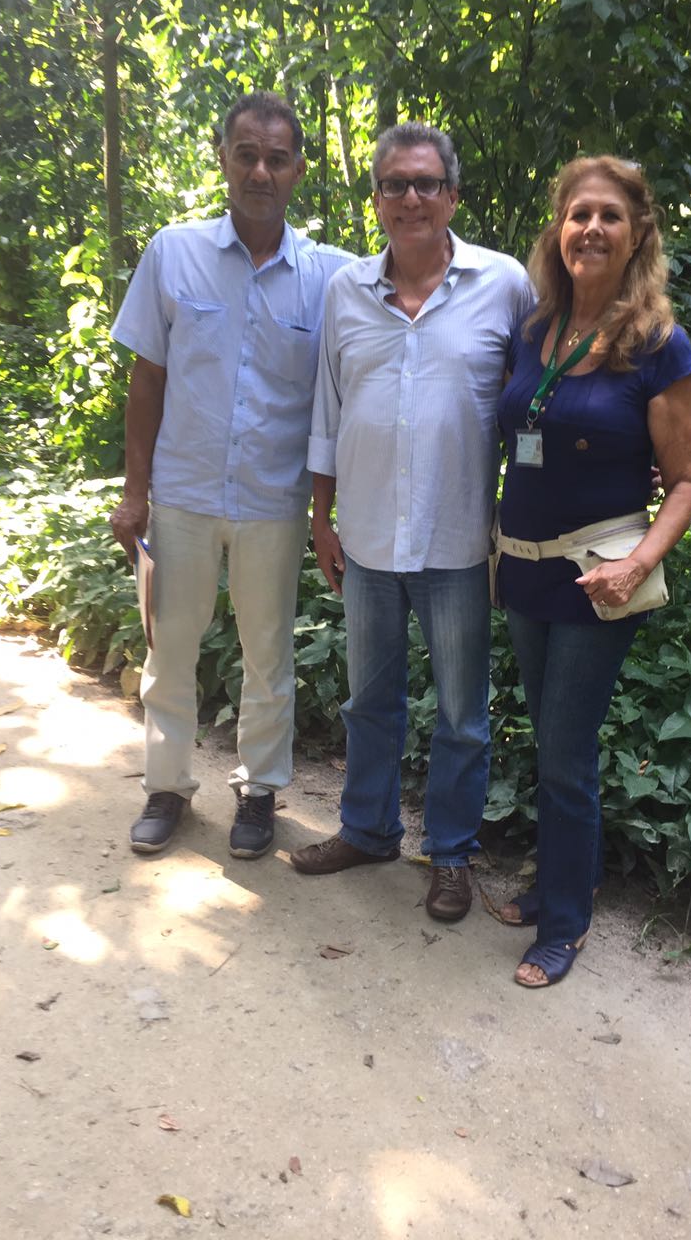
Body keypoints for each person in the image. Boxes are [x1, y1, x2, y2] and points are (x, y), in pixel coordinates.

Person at [290, 122, 533, 922]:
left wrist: (615, 459)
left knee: (462, 714)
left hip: (457, 539)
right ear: (377, 201)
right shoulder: (346, 292)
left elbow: (543, 396)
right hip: (365, 536)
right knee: (370, 700)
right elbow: (327, 412)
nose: (411, 198)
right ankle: (367, 831)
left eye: (426, 183)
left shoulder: (503, 284)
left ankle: (452, 854)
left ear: (452, 196)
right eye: (395, 184)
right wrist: (321, 518)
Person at [109, 91, 354, 858]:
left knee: (268, 654)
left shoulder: (331, 277)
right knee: (171, 648)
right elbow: (147, 380)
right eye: (246, 155)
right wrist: (134, 493)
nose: (260, 172)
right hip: (181, 494)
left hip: (272, 501)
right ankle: (166, 787)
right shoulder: (173, 253)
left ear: (298, 170)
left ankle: (259, 790)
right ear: (223, 159)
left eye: (276, 159)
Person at [493, 156, 691, 987]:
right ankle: (558, 882)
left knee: (567, 753)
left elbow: (687, 481)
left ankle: (565, 925)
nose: (591, 228)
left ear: (637, 232)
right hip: (524, 569)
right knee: (549, 741)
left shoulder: (658, 344)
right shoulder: (534, 330)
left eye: (609, 215)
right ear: (559, 228)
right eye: (578, 213)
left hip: (598, 579)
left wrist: (637, 563)